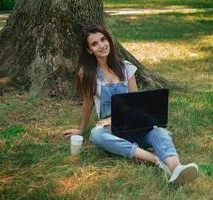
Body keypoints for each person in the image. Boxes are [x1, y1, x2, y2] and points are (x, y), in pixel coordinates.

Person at [63, 24, 198, 185]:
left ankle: (176, 169)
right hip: (111, 130)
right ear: (89, 50)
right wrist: (81, 129)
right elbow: (88, 103)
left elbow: (136, 103)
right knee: (96, 135)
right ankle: (154, 160)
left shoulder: (126, 68)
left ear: (108, 40)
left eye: (103, 39)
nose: (101, 45)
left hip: (133, 125)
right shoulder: (87, 73)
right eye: (94, 44)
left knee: (160, 133)